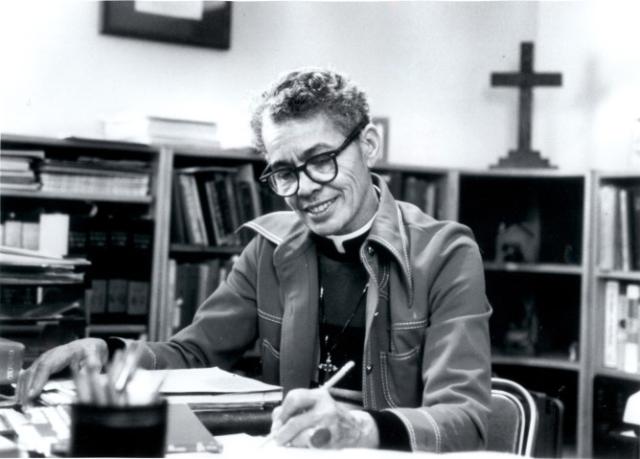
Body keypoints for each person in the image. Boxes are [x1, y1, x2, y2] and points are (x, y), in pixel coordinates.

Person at [16, 68, 492, 452]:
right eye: (285, 172)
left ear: (368, 146)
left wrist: (360, 429)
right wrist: (110, 352)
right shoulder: (267, 248)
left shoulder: (445, 253)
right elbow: (195, 354)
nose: (305, 189)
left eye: (322, 159)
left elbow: (466, 419)